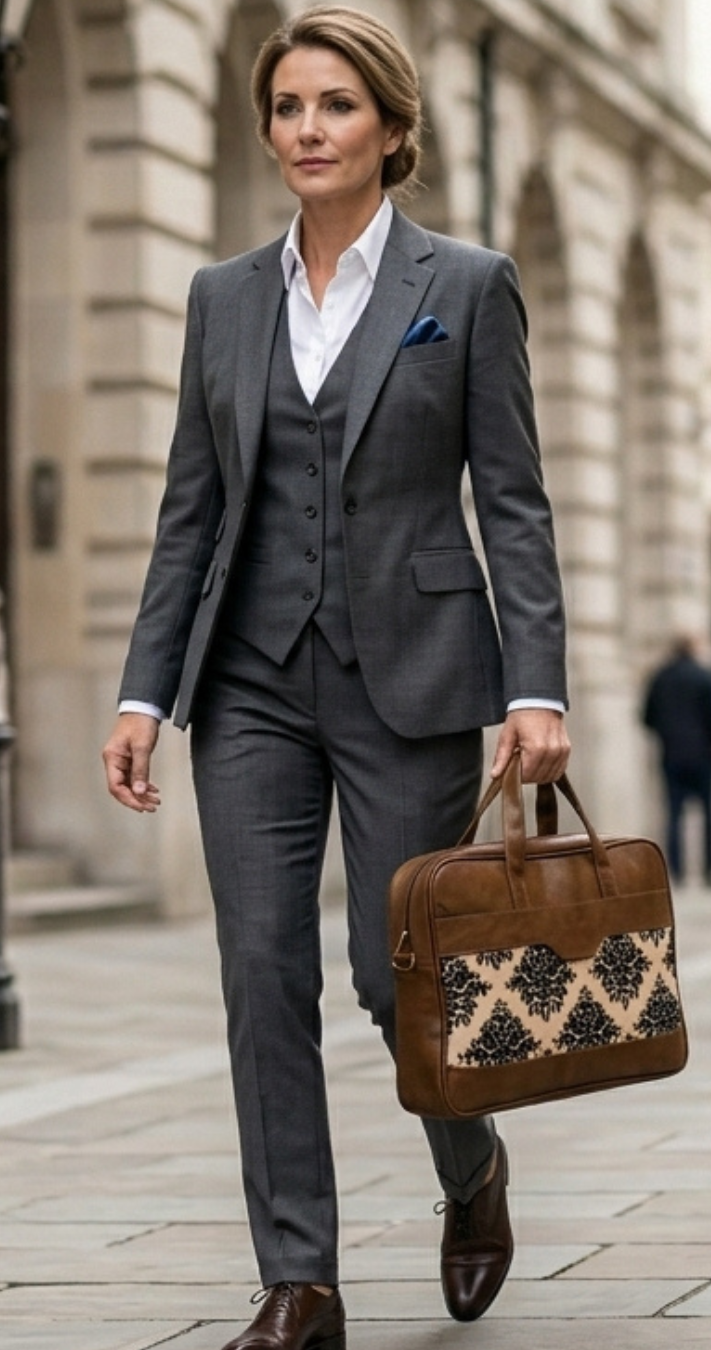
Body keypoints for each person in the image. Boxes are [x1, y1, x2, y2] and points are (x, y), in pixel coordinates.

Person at [101, 8, 570, 1346]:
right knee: (261, 970)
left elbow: (514, 503)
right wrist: (143, 693)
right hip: (249, 681)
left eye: (337, 104)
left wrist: (536, 686)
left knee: (395, 969)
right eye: (290, 106)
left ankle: (471, 1168)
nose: (308, 129)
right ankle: (299, 1279)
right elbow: (191, 512)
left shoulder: (465, 286)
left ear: (392, 127)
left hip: (410, 674)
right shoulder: (222, 297)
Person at [642, 635, 711, 887]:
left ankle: (677, 871)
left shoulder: (661, 677)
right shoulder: (706, 676)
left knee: (673, 814)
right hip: (703, 754)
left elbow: (647, 717)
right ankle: (710, 870)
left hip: (672, 753)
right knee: (708, 814)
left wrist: (667, 733)